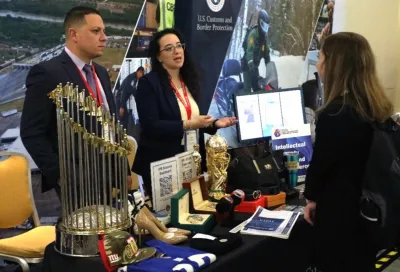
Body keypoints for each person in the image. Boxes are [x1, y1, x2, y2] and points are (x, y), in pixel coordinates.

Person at [303, 32, 393, 272]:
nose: (318, 63)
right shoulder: (375, 106)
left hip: (341, 218)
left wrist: (310, 197)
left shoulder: (336, 114)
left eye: (321, 57)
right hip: (369, 213)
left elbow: (320, 167)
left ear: (333, 64)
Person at [20, 6, 131, 201]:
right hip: (76, 181)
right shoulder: (47, 73)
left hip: (110, 174)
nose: (104, 37)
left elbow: (110, 124)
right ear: (74, 34)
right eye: (96, 31)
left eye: (104, 31)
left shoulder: (101, 73)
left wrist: (124, 168)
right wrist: (63, 176)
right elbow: (32, 133)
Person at [132, 28, 237, 200]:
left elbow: (193, 118)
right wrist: (189, 124)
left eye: (179, 46)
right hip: (163, 163)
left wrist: (214, 124)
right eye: (169, 48)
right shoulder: (148, 84)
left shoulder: (189, 80)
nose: (176, 51)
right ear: (158, 57)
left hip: (190, 161)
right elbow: (151, 126)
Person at [242, 9, 271, 93]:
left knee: (258, 88)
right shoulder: (253, 34)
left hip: (254, 66)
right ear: (260, 22)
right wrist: (251, 64)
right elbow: (249, 51)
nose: (265, 29)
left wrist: (269, 66)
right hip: (248, 65)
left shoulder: (263, 38)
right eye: (264, 26)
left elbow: (266, 54)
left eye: (267, 27)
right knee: (247, 90)